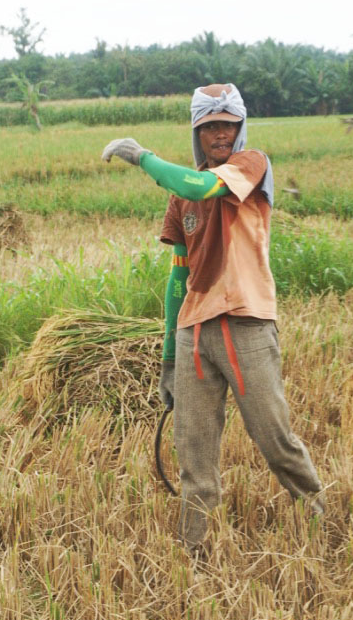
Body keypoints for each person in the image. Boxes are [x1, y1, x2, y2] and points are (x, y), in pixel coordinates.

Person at [102, 83, 323, 555]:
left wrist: (143, 157)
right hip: (194, 334)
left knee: (275, 439)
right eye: (209, 127)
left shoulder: (250, 165)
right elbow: (177, 277)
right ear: (197, 133)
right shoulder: (180, 197)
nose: (220, 134)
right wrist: (167, 356)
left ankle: (319, 520)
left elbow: (199, 184)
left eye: (228, 125)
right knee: (193, 452)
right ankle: (195, 551)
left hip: (246, 323)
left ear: (241, 128)